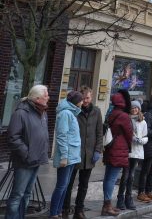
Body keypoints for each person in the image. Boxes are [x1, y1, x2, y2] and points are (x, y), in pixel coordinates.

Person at [6, 84, 50, 219]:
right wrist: (27, 154)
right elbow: (13, 138)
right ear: (37, 99)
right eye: (45, 95)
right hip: (24, 162)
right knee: (17, 195)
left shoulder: (43, 112)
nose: (48, 97)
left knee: (27, 194)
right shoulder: (21, 113)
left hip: (36, 160)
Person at [62, 86, 103, 219]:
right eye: (83, 98)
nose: (85, 101)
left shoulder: (96, 111)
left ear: (91, 97)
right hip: (75, 153)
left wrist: (98, 150)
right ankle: (65, 208)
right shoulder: (74, 111)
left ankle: (79, 209)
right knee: (68, 183)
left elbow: (99, 133)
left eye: (88, 98)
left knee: (84, 185)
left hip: (89, 154)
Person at [49, 91, 83, 219]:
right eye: (81, 99)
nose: (82, 102)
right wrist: (64, 156)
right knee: (61, 186)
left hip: (72, 155)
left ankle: (57, 212)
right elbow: (62, 136)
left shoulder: (71, 113)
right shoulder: (65, 113)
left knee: (65, 185)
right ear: (76, 101)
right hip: (67, 156)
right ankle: (53, 213)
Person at [102, 91, 133, 216]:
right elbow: (129, 133)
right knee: (112, 178)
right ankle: (107, 205)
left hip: (110, 147)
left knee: (107, 177)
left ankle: (106, 204)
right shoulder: (124, 116)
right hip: (119, 149)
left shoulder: (111, 113)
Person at [116, 100, 148, 211]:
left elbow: (146, 136)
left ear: (139, 109)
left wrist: (140, 140)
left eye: (136, 108)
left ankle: (128, 198)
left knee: (131, 176)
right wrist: (131, 138)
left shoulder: (142, 121)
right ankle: (120, 198)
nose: (134, 110)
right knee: (125, 176)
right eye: (132, 108)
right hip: (128, 151)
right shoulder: (127, 120)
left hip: (137, 152)